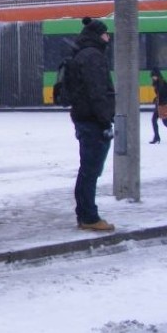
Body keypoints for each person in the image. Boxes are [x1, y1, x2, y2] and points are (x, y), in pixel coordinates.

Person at [69, 17, 116, 232]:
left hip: (84, 118)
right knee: (90, 170)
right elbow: (97, 91)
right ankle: (89, 216)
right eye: (106, 34)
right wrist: (105, 119)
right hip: (93, 121)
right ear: (99, 35)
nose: (108, 37)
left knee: (87, 170)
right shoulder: (93, 57)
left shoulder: (82, 53)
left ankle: (85, 215)